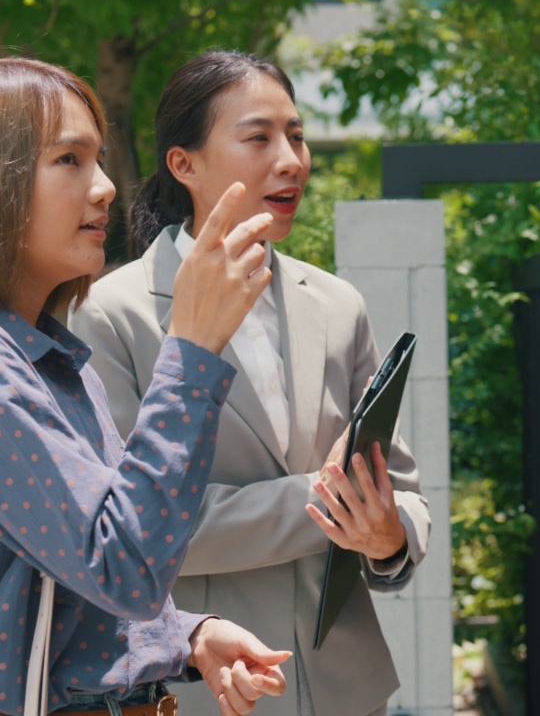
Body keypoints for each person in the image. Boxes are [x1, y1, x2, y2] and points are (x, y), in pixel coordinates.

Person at [0, 56, 295, 716]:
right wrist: (192, 349)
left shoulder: (45, 355)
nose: (105, 188)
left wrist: (189, 636)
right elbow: (125, 566)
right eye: (70, 160)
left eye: (99, 160)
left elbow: (83, 571)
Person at [66, 51, 431, 716]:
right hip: (211, 689)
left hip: (350, 689)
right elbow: (138, 528)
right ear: (185, 164)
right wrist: (323, 504)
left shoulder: (337, 304)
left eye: (296, 135)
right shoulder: (108, 316)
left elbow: (398, 489)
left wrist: (390, 538)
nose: (290, 159)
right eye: (259, 138)